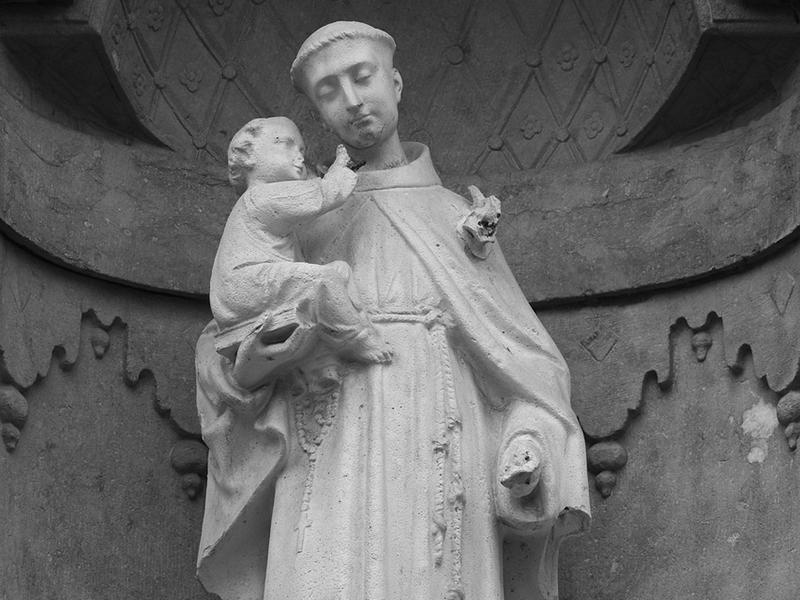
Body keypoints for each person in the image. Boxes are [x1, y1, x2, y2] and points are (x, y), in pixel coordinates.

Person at [195, 21, 590, 600]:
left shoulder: (451, 215)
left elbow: (524, 363)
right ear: (317, 112)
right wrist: (255, 362)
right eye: (329, 91)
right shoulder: (301, 217)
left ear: (396, 82)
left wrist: (525, 439)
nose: (352, 100)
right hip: (326, 441)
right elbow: (226, 338)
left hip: (440, 435)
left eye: (362, 77)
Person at [210, 116, 391, 371]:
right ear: (249, 156)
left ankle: (352, 319)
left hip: (252, 285)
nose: (299, 156)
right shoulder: (259, 198)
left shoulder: (268, 200)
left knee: (339, 271)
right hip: (244, 286)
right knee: (324, 279)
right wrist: (342, 166)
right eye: (285, 143)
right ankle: (358, 338)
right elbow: (326, 194)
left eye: (302, 150)